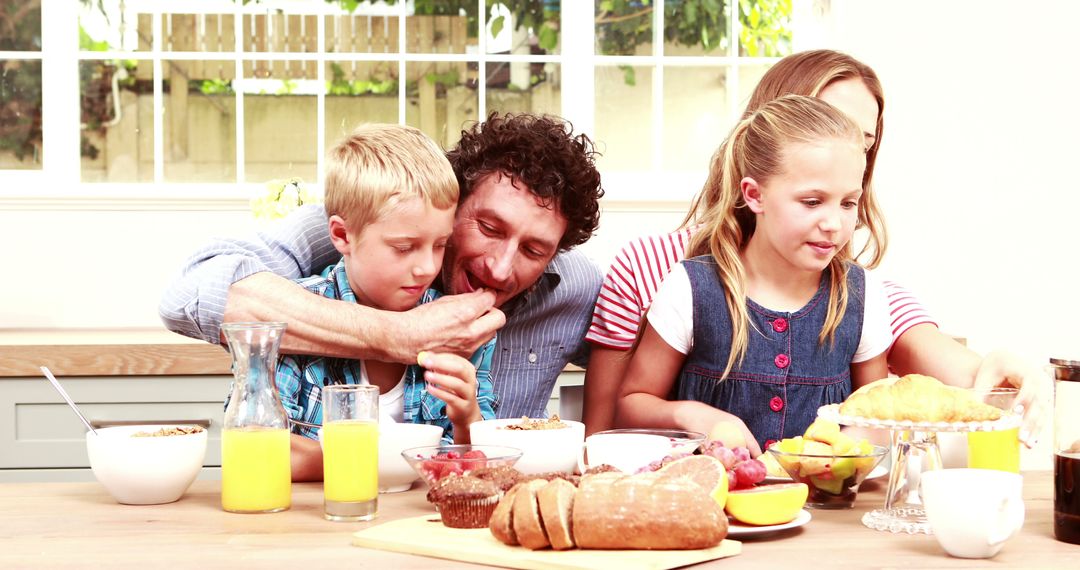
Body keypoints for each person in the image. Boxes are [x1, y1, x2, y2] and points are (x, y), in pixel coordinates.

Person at [584, 49, 1046, 445]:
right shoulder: (658, 270)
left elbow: (956, 373)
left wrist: (999, 370)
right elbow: (604, 439)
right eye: (821, 123)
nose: (837, 147)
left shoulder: (859, 293)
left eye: (863, 143)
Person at [159, 113, 605, 421]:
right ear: (453, 202)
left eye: (533, 251)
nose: (501, 268)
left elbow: (641, 372)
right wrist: (401, 336)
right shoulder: (365, 225)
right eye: (488, 227)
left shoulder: (576, 287)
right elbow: (194, 293)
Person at [615, 95, 890, 455]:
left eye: (848, 203)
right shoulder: (689, 288)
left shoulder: (862, 294)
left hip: (826, 508)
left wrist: (848, 449)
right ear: (755, 195)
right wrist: (689, 414)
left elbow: (877, 418)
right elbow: (631, 404)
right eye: (811, 202)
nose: (833, 224)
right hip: (713, 503)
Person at [268, 124, 496, 481]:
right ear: (343, 235)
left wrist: (468, 419)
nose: (427, 267)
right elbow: (263, 448)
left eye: (440, 245)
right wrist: (375, 461)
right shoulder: (295, 316)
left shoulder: (462, 330)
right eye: (404, 248)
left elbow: (479, 464)